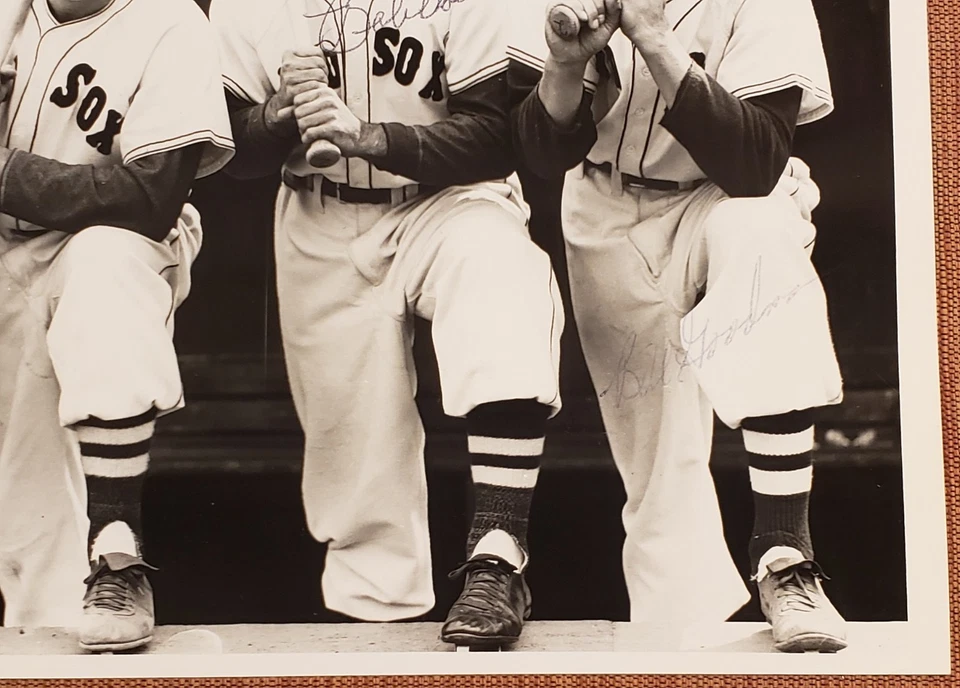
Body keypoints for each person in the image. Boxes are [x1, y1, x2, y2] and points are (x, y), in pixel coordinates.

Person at [209, 0, 564, 648]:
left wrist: (370, 137)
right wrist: (275, 116)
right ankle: (373, 631)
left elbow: (495, 136)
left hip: (449, 198)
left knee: (501, 273)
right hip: (321, 211)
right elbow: (232, 152)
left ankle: (498, 554)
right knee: (355, 467)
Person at [509, 0, 848, 652]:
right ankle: (674, 644)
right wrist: (564, 65)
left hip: (725, 199)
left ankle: (787, 558)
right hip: (606, 203)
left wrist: (653, 40)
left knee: (764, 249)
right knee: (658, 476)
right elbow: (541, 155)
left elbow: (755, 163)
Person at [0, 0, 233, 652]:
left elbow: (151, 197)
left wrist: (5, 172)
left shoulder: (170, 23)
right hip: (5, 249)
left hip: (111, 235)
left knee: (107, 271)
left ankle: (117, 553)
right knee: (27, 505)